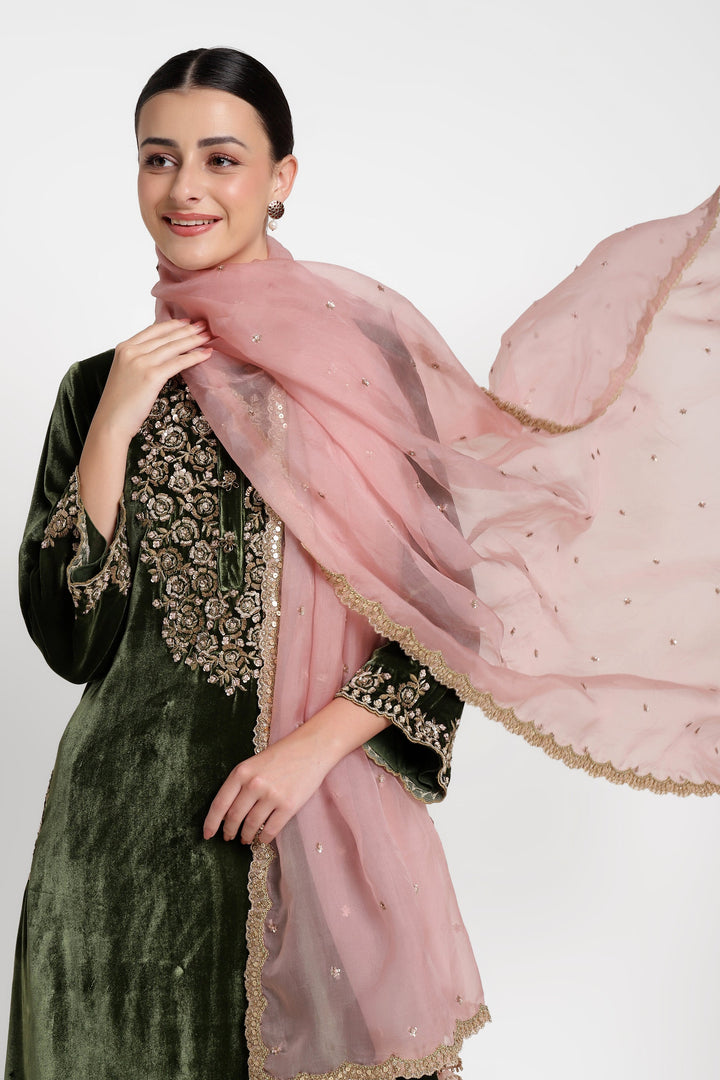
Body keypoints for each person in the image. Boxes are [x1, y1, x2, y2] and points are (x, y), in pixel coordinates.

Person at [5, 45, 720, 1080]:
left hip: (303, 820)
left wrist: (310, 751)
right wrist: (113, 425)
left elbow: (445, 610)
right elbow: (69, 639)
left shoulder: (360, 367)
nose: (187, 188)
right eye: (159, 160)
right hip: (114, 865)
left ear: (282, 178)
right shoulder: (98, 385)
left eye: (222, 159)